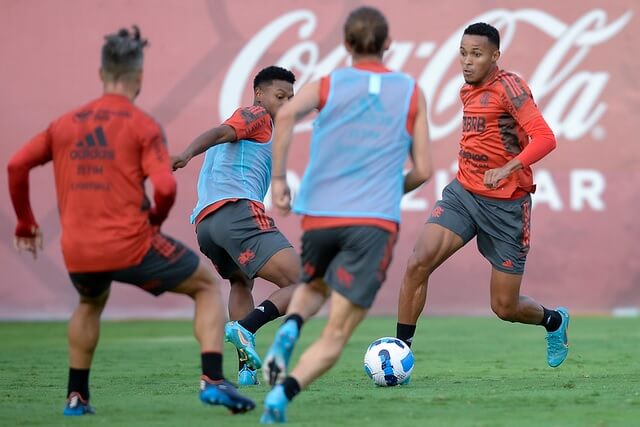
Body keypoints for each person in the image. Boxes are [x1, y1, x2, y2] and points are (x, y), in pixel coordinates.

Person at [7, 26, 254, 416]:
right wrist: (153, 221)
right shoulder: (141, 124)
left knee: (89, 301)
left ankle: (76, 397)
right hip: (131, 243)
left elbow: (17, 164)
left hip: (77, 248)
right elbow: (166, 188)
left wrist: (25, 223)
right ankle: (212, 380)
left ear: (102, 73)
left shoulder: (65, 124)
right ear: (138, 77)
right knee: (206, 287)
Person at [259, 6, 432, 423]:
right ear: (388, 44)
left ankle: (291, 325)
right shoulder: (410, 91)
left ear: (347, 44)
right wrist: (390, 187)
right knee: (337, 332)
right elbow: (424, 171)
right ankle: (281, 396)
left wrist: (279, 180)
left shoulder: (327, 84)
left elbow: (284, 116)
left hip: (320, 215)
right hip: (372, 222)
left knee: (313, 286)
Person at [395, 22, 569, 368]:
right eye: (463, 53)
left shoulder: (511, 88)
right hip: (464, 194)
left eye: (476, 54)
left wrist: (507, 168)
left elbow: (546, 138)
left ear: (495, 56)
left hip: (506, 207)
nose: (467, 61)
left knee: (504, 307)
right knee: (418, 263)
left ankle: (554, 320)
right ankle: (400, 352)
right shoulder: (468, 88)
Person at [172, 66, 300, 386]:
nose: (286, 104)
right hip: (237, 213)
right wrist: (186, 154)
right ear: (259, 94)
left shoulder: (263, 122)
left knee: (241, 283)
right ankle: (247, 327)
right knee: (305, 283)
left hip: (207, 225)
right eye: (279, 96)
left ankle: (245, 370)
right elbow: (218, 132)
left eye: (291, 98)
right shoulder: (255, 115)